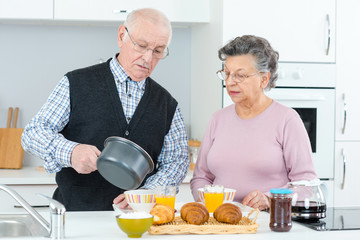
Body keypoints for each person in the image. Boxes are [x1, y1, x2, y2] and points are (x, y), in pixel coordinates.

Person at [21, 8, 189, 211]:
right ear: (121, 36)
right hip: (75, 216)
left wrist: (148, 192)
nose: (148, 58)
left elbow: (177, 162)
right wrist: (70, 152)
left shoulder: (168, 105)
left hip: (137, 221)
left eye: (158, 51)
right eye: (142, 46)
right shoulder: (76, 83)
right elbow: (33, 133)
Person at [190, 35, 317, 211]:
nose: (229, 82)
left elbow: (306, 186)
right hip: (221, 223)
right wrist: (207, 202)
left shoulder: (287, 120)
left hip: (266, 224)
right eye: (226, 74)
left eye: (240, 75)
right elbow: (201, 178)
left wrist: (270, 199)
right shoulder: (217, 119)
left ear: (264, 79)